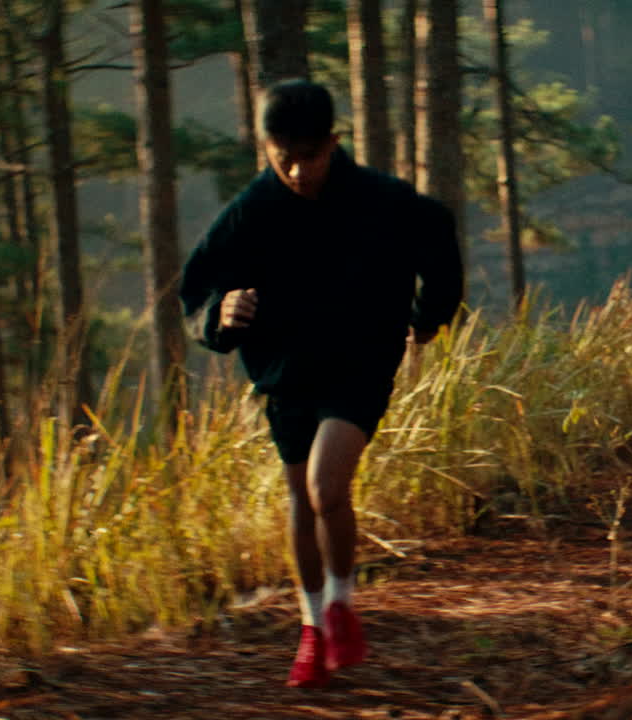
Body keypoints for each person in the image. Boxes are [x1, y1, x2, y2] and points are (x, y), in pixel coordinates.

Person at [179, 79, 463, 688]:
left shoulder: (380, 201)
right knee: (302, 503)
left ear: (334, 142)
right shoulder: (248, 214)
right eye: (284, 156)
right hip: (286, 375)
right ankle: (316, 627)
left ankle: (342, 605)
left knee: (324, 487)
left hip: (360, 362)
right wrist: (220, 315)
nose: (298, 169)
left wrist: (430, 314)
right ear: (266, 146)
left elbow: (437, 232)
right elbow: (195, 291)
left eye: (310, 154)